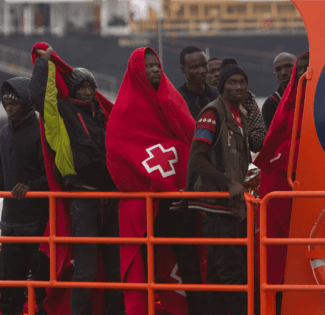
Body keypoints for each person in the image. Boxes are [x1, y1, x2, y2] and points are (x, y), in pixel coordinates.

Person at [106, 47, 207, 315]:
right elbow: (118, 152)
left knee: (190, 264)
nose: (154, 70)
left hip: (179, 201)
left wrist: (185, 188)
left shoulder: (172, 99)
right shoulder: (124, 109)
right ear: (137, 69)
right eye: (148, 66)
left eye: (156, 65)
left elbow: (193, 141)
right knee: (144, 266)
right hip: (146, 208)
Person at [30, 45, 125, 315]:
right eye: (80, 86)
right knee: (85, 270)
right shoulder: (59, 116)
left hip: (111, 199)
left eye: (90, 86)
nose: (86, 90)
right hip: (83, 200)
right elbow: (42, 99)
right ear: (71, 89)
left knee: (116, 269)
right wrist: (44, 66)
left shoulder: (102, 116)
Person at [187, 58, 250, 315]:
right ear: (222, 86)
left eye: (243, 82)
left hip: (231, 207)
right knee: (233, 274)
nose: (239, 87)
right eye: (232, 82)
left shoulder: (241, 114)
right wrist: (228, 183)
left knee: (216, 273)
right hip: (217, 208)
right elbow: (197, 157)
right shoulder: (213, 113)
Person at [254, 52, 309, 314]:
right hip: (287, 182)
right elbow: (275, 140)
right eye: (281, 69)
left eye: (291, 67)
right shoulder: (273, 104)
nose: (288, 72)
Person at [0, 77, 50, 315]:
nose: (8, 107)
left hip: (37, 223)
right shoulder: (3, 133)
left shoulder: (41, 131)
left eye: (14, 102)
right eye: (5, 102)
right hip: (9, 223)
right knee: (9, 288)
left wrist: (30, 186)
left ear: (26, 102)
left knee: (42, 290)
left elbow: (53, 175)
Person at [208, 58, 266, 153]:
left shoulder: (247, 99)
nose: (217, 74)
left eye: (220, 70)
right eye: (212, 71)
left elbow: (260, 140)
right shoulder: (205, 104)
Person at [178, 46, 219, 119]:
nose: (202, 71)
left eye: (204, 65)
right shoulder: (177, 100)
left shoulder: (219, 96)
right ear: (183, 69)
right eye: (195, 67)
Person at [262, 52, 296, 129]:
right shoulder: (271, 104)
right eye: (278, 69)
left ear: (299, 68)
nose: (283, 73)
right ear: (275, 75)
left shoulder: (313, 94)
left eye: (288, 66)